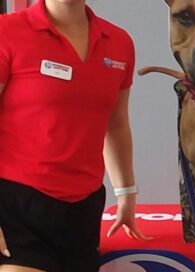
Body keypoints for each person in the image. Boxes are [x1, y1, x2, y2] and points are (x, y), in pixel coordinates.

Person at [0, 0, 150, 271]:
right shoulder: (7, 32)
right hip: (17, 206)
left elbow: (116, 125)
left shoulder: (118, 41)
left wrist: (126, 193)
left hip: (84, 207)